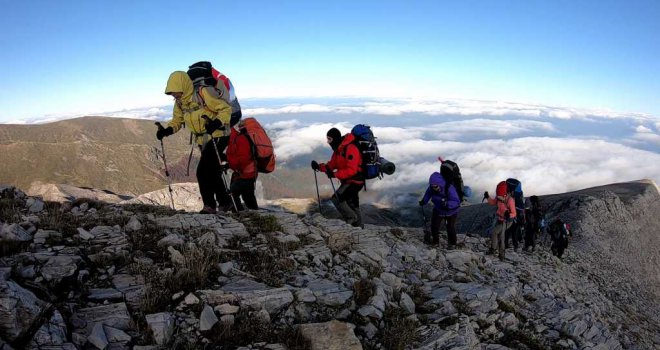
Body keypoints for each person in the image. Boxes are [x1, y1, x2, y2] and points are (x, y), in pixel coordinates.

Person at [157, 71, 232, 214]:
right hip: (203, 139)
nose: (173, 95)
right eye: (171, 93)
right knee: (213, 171)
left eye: (175, 91)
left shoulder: (202, 93)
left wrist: (216, 123)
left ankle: (209, 206)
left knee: (202, 172)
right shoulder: (180, 103)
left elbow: (225, 109)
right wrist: (166, 131)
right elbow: (177, 121)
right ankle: (225, 202)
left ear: (183, 86)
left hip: (218, 135)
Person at [311, 128, 364, 228]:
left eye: (329, 139)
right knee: (352, 203)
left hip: (355, 180)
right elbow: (331, 165)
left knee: (337, 198)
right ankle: (359, 226)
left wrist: (335, 174)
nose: (328, 142)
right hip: (348, 180)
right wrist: (319, 166)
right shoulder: (339, 149)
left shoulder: (350, 148)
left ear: (335, 138)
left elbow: (352, 170)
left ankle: (351, 219)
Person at [418, 171, 461, 249]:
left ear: (440, 184)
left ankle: (452, 244)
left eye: (436, 186)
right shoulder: (432, 187)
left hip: (451, 212)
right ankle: (435, 242)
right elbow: (428, 194)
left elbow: (456, 202)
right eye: (432, 186)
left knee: (450, 227)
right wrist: (424, 201)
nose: (434, 188)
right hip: (439, 210)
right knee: (434, 226)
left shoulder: (449, 188)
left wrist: (447, 204)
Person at [226, 122, 258, 211]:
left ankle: (239, 212)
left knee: (233, 193)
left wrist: (231, 164)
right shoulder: (244, 138)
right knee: (248, 196)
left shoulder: (240, 139)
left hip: (244, 173)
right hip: (250, 172)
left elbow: (243, 158)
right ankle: (255, 213)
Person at [484, 181, 517, 261]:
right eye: (498, 196)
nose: (498, 197)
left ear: (505, 193)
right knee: (499, 236)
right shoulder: (499, 196)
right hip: (500, 219)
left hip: (507, 221)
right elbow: (493, 202)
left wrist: (508, 214)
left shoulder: (510, 200)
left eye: (500, 196)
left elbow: (514, 213)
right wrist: (488, 197)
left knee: (496, 233)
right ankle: (500, 254)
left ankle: (495, 250)